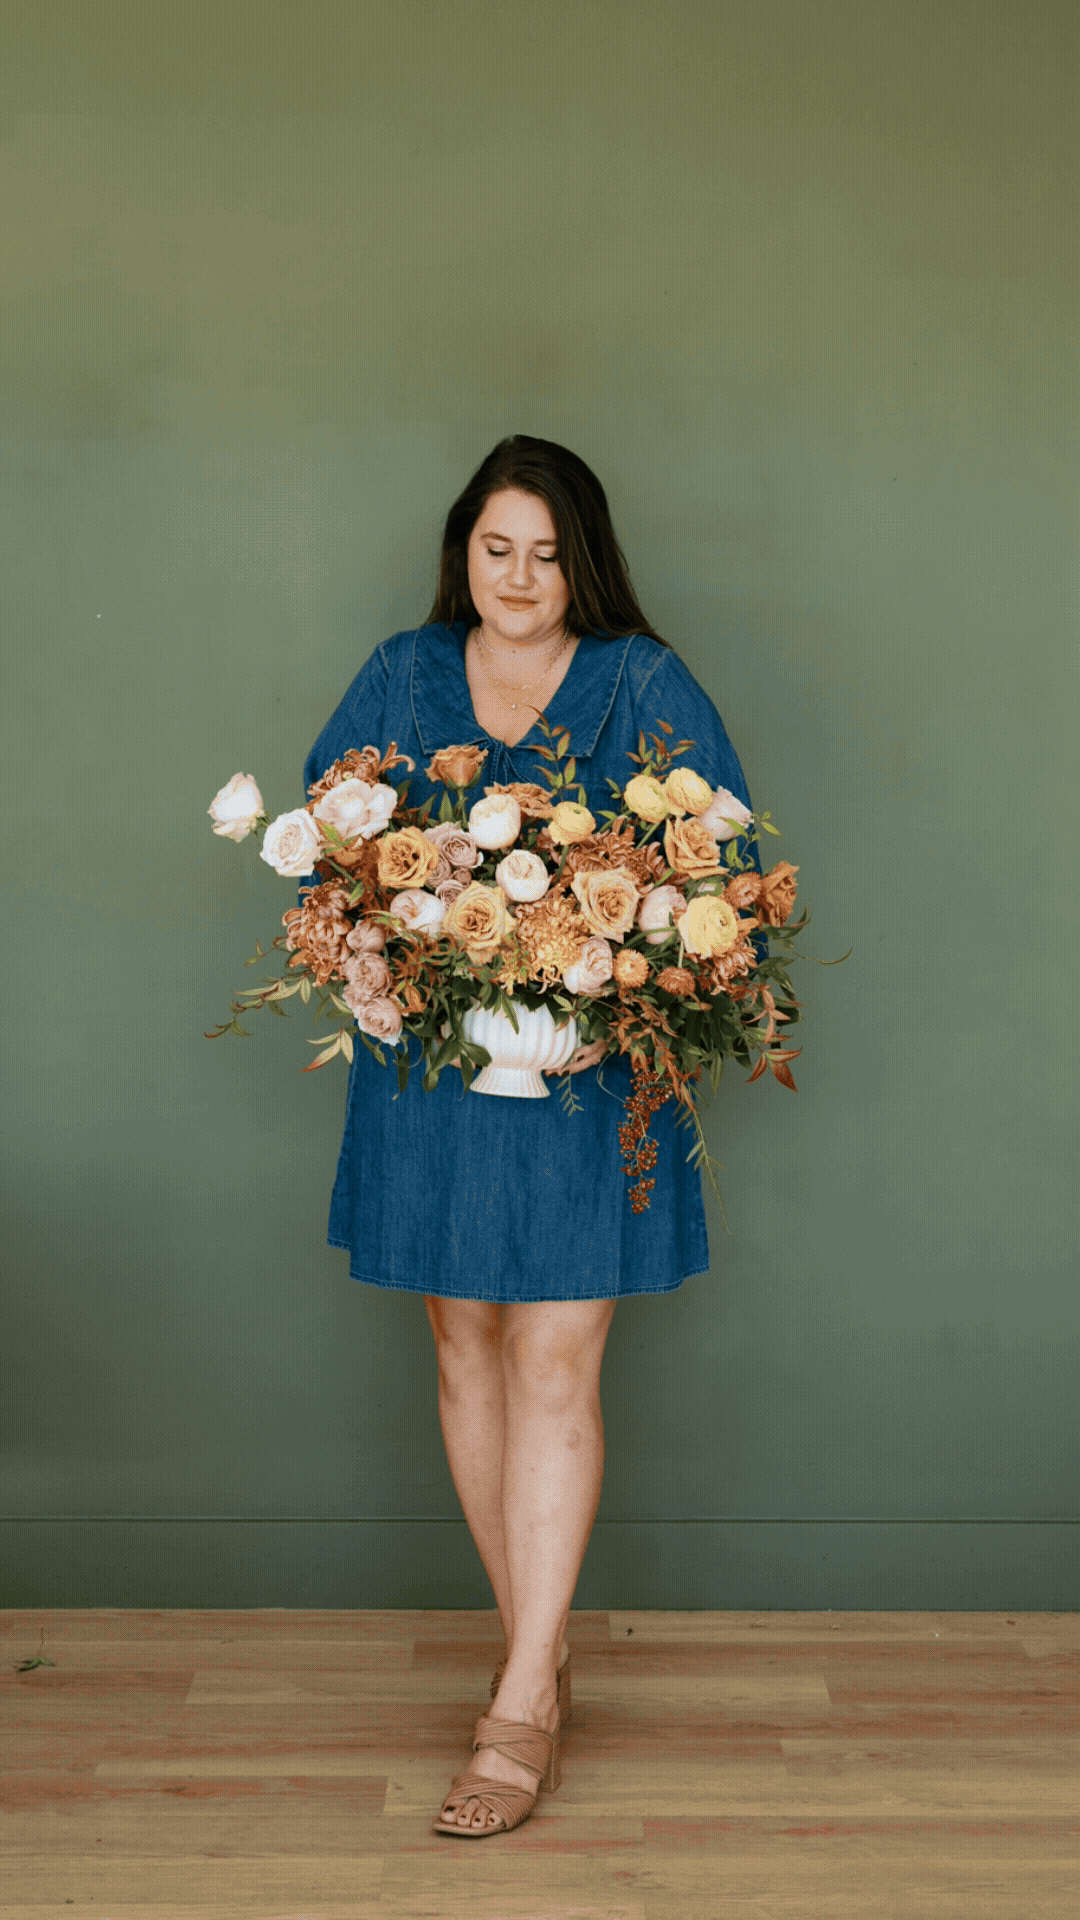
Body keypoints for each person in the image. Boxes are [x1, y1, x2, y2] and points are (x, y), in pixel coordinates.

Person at [300, 435, 758, 1836]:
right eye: (497, 548)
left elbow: (727, 859)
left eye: (548, 554)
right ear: (465, 552)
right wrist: (385, 938)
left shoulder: (643, 682)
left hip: (589, 1077)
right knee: (465, 1342)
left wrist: (634, 968)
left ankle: (516, 1714)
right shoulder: (402, 672)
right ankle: (536, 1657)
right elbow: (327, 845)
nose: (518, 577)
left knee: (555, 1356)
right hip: (434, 1071)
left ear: (584, 563)